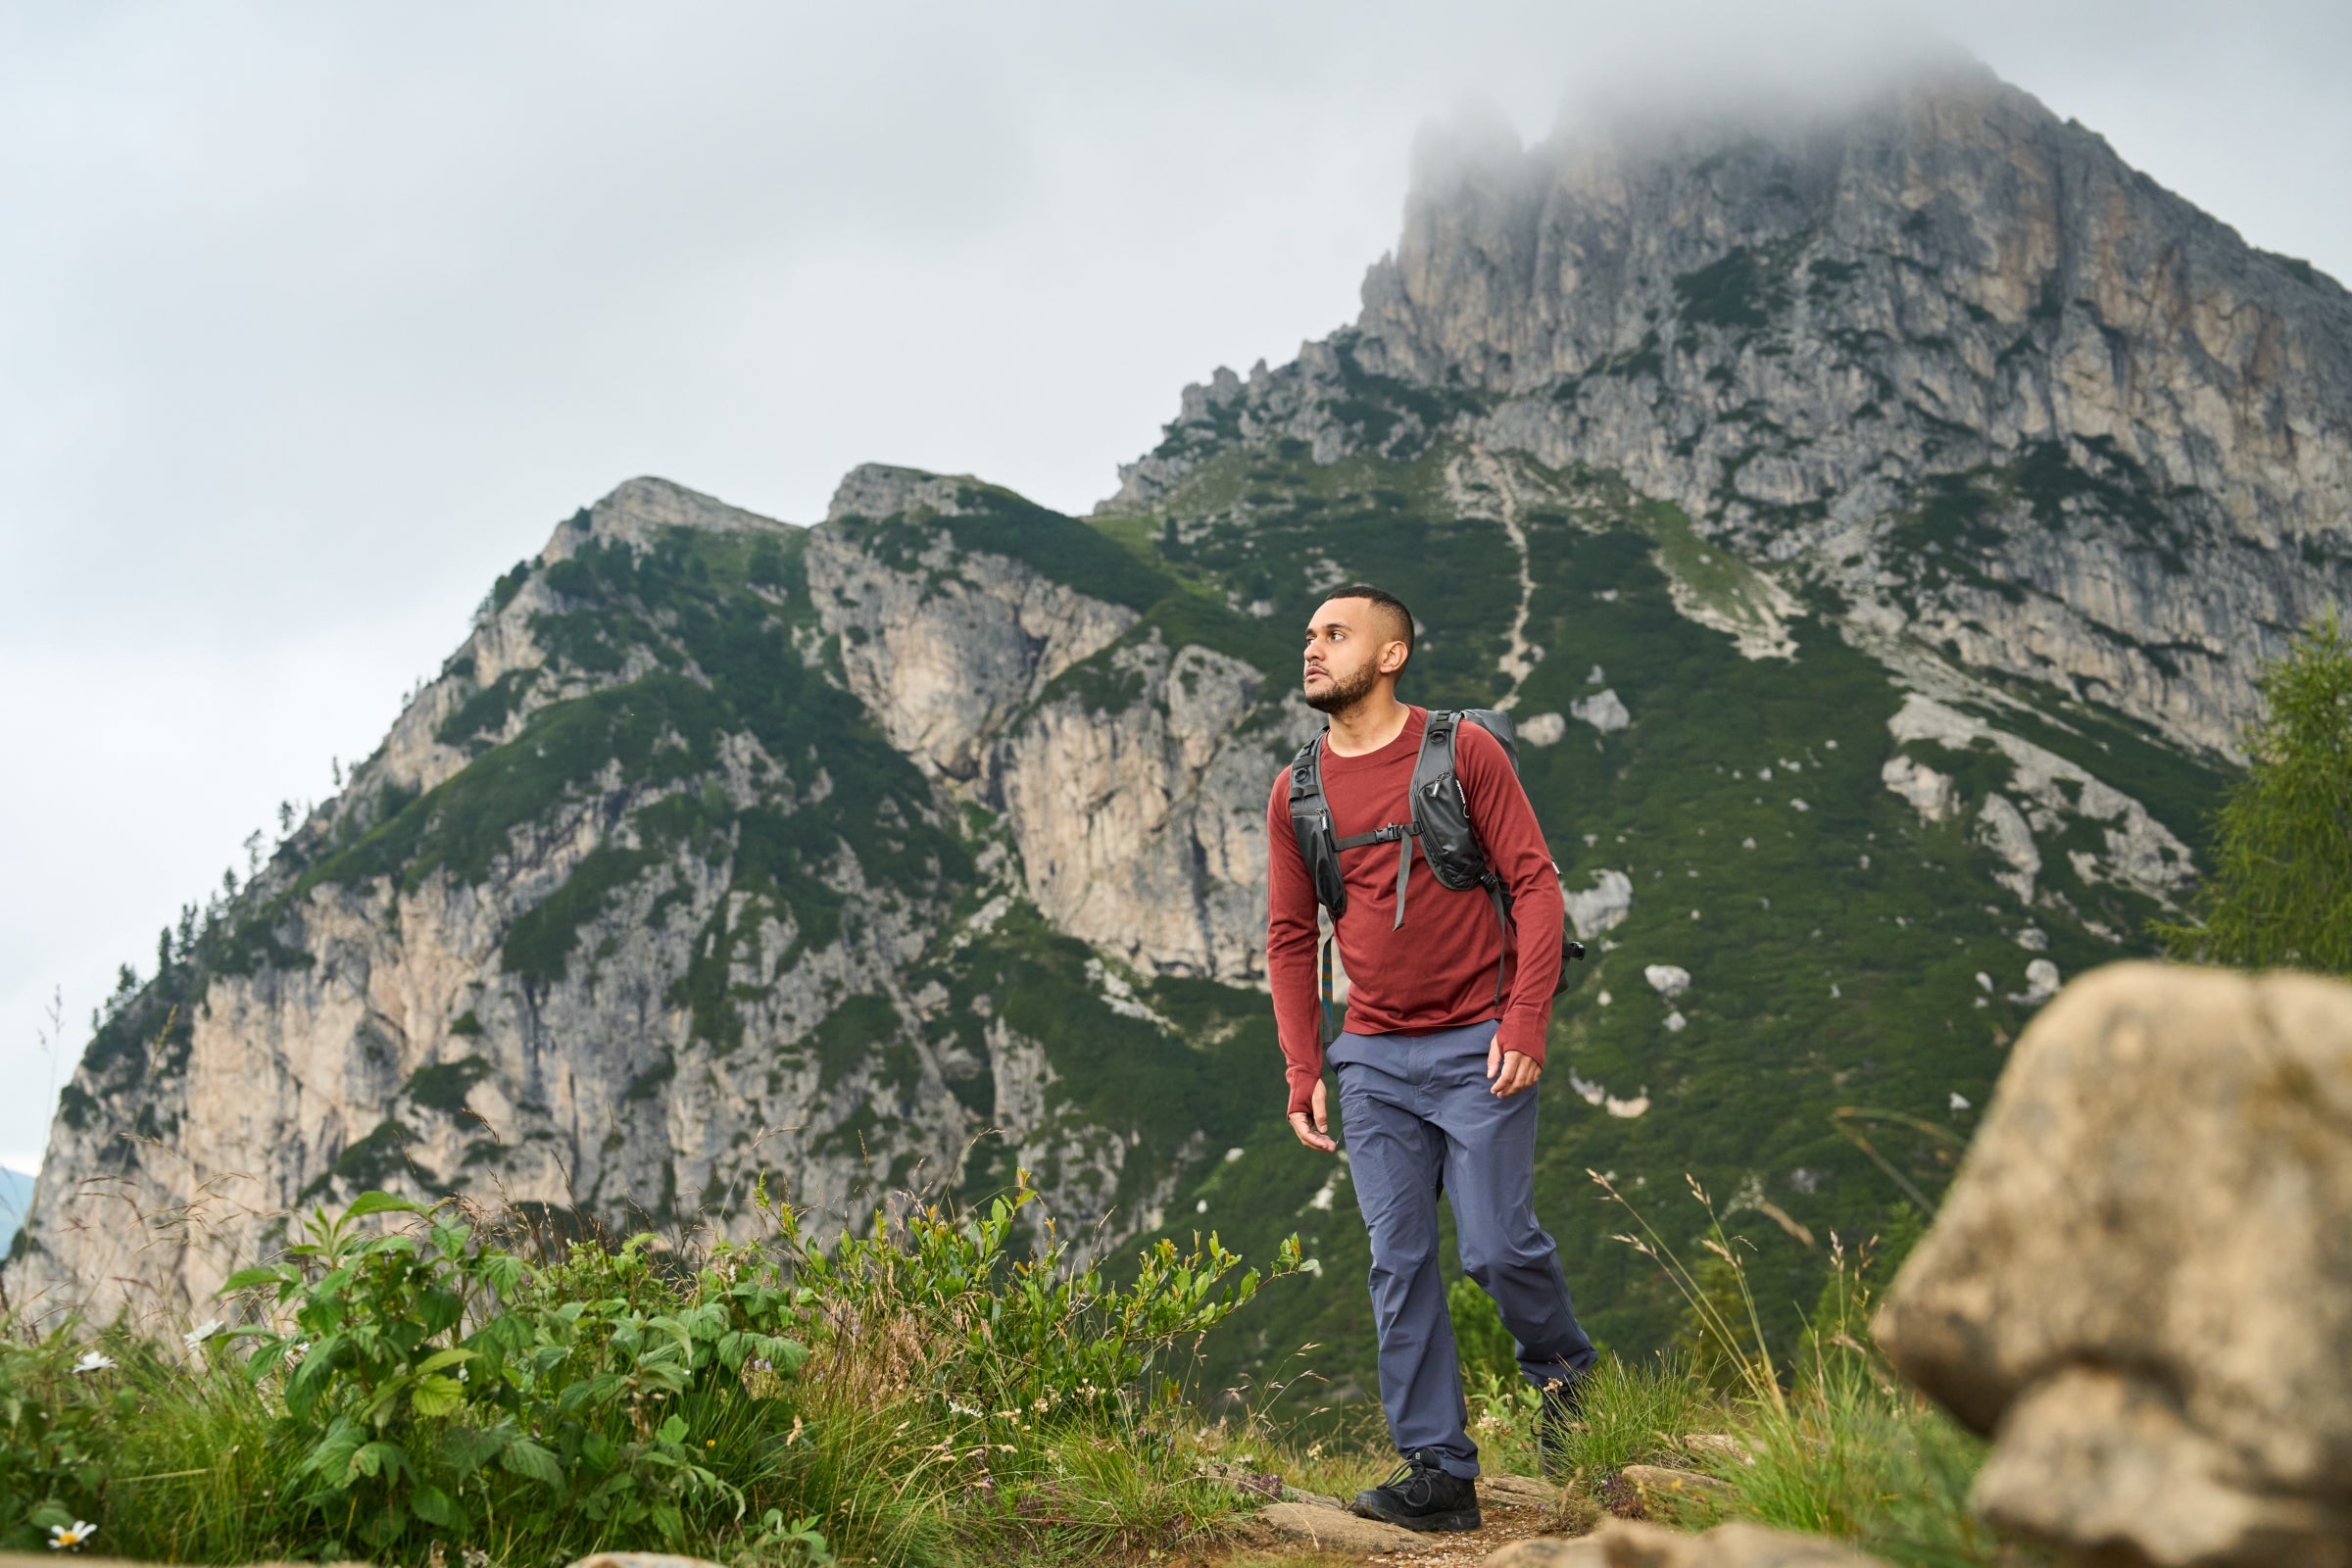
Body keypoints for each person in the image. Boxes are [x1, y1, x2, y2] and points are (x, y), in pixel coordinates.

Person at [1265, 584, 1597, 1533]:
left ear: (1391, 653)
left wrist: (1525, 1021)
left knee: (1497, 1246)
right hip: (1371, 1056)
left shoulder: (1463, 751)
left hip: (1479, 1040)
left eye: (1335, 634)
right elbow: (1291, 937)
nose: (1314, 648)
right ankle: (1439, 1471)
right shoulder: (1298, 788)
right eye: (1309, 636)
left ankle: (1565, 1371)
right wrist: (1304, 1067)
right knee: (1397, 1258)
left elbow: (1535, 884)